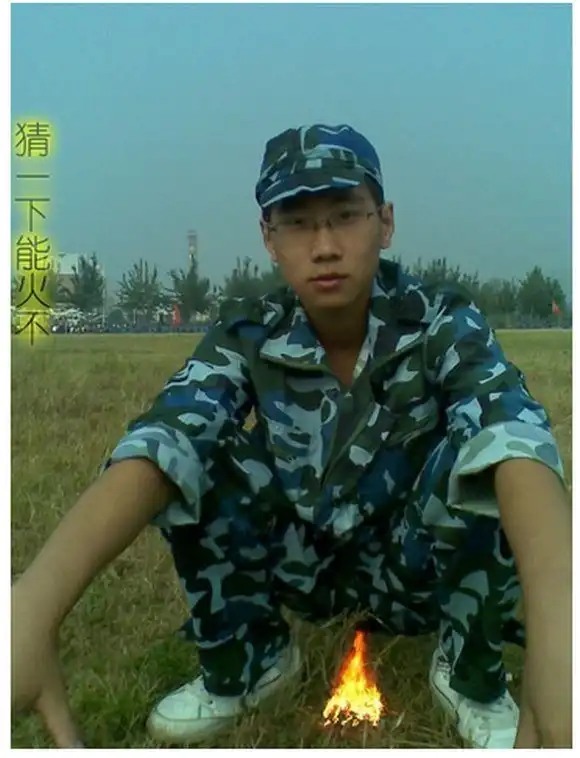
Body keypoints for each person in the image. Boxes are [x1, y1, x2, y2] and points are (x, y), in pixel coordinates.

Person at [11, 124, 571, 750]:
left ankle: (470, 673)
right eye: (297, 223)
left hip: (415, 572)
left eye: (346, 216)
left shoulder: (441, 318)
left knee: (488, 458)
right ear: (269, 238)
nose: (324, 246)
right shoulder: (249, 331)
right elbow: (163, 439)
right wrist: (34, 602)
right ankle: (252, 661)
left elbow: (511, 430)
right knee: (196, 452)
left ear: (385, 223)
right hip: (302, 567)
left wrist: (560, 631)